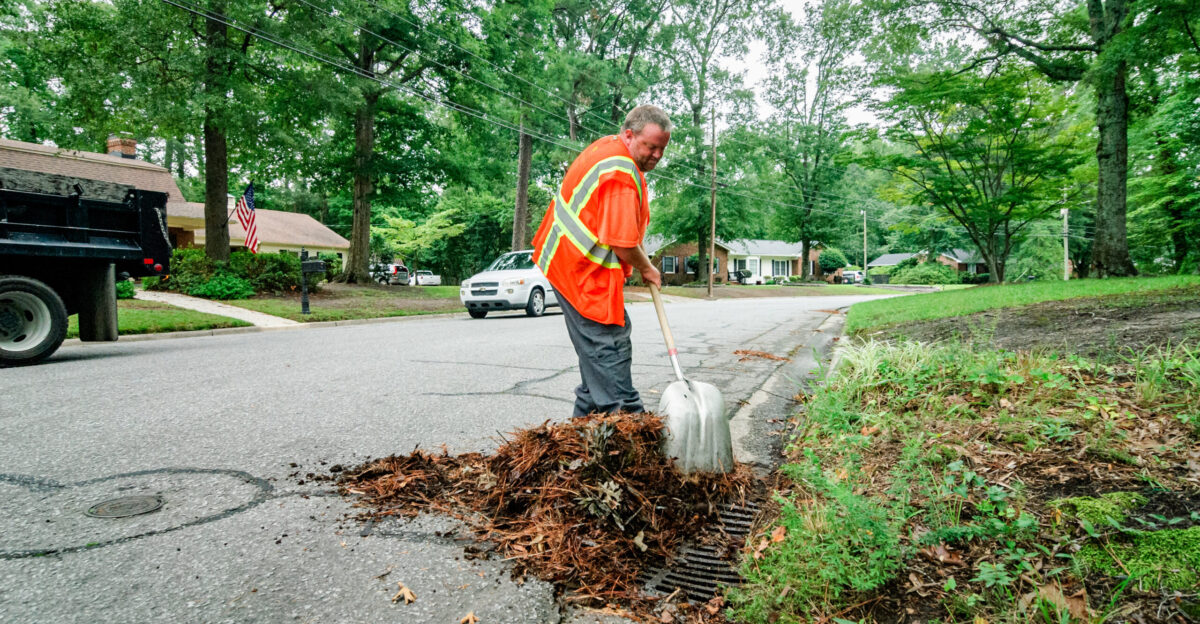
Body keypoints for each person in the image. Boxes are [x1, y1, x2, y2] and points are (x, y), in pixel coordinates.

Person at [531, 105, 671, 418]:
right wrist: (647, 268)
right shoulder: (619, 173)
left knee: (597, 364)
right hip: (581, 274)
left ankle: (580, 434)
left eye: (662, 148)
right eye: (651, 146)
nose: (657, 155)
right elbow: (622, 243)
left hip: (570, 265)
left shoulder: (611, 148)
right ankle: (628, 423)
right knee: (609, 348)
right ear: (629, 135)